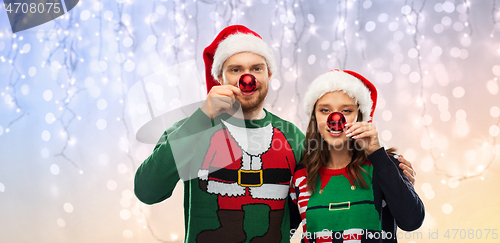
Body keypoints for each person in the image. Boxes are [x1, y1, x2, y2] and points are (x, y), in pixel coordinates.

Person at [135, 25, 417, 243]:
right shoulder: (192, 128)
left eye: (256, 68)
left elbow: (319, 187)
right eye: (236, 70)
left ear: (269, 75)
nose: (248, 78)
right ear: (220, 78)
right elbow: (148, 191)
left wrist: (390, 172)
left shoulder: (292, 136)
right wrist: (201, 118)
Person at [290, 70, 425, 243]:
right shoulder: (301, 174)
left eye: (346, 110)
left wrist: (377, 154)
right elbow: (281, 230)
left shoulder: (385, 165)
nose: (335, 118)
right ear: (314, 118)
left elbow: (411, 221)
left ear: (360, 116)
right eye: (324, 110)